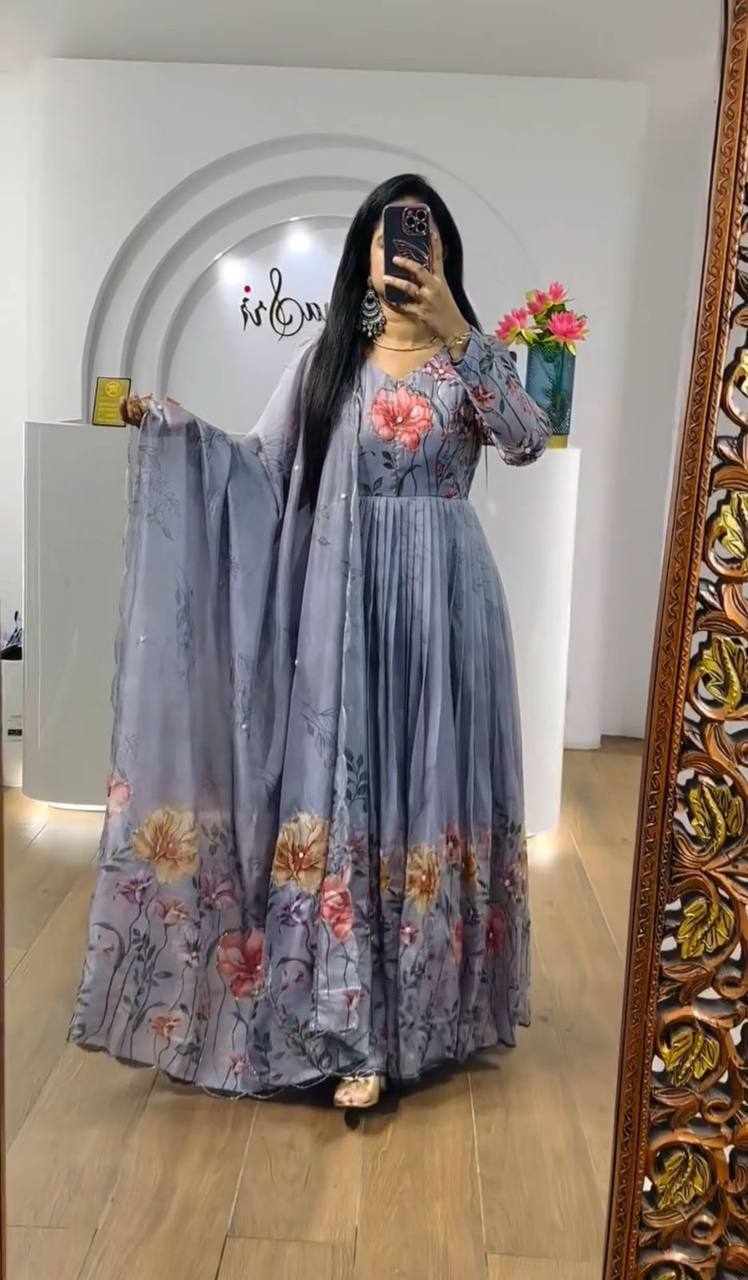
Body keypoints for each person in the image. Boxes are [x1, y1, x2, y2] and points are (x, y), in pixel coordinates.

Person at [68, 173, 552, 1110]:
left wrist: (458, 328)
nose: (403, 251)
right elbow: (257, 470)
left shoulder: (469, 362)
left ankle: (433, 1018)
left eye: (421, 236)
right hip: (346, 612)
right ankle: (349, 1029)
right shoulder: (328, 362)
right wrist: (174, 432)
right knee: (347, 798)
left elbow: (529, 437)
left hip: (447, 612)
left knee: (432, 791)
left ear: (442, 253)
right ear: (364, 255)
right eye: (389, 235)